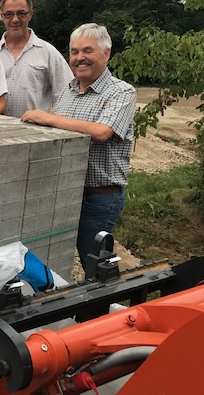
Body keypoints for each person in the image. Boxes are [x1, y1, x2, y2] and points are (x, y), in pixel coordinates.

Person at [20, 23, 136, 270]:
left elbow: (102, 132)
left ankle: (105, 306)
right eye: (74, 52)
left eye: (87, 51)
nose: (79, 58)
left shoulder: (121, 92)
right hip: (64, 194)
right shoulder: (66, 93)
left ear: (106, 54)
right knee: (54, 258)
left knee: (95, 263)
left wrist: (47, 117)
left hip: (99, 198)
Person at [0, 0, 72, 118]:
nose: (15, 19)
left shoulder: (48, 53)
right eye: (9, 14)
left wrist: (54, 124)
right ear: (2, 17)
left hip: (36, 134)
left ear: (30, 15)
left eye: (21, 13)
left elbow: (66, 95)